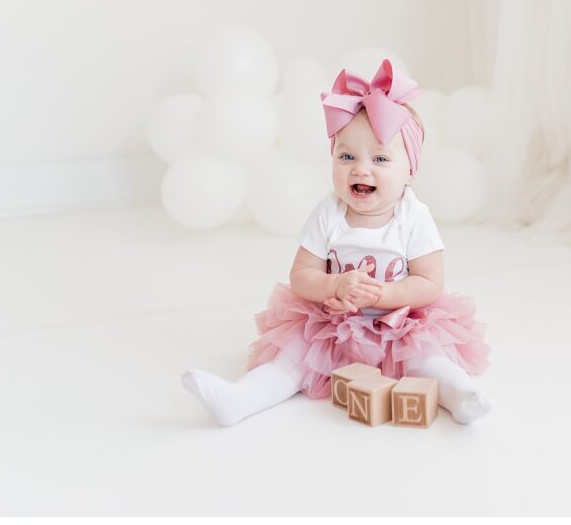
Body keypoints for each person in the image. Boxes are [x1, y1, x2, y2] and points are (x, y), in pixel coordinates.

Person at [181, 60, 492, 426]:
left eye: (380, 158)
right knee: (292, 359)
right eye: (347, 156)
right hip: (332, 324)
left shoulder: (413, 216)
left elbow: (429, 282)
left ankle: (462, 396)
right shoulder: (328, 213)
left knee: (429, 359)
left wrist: (382, 296)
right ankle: (240, 399)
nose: (361, 169)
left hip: (400, 322)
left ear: (409, 170)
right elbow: (301, 275)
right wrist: (333, 284)